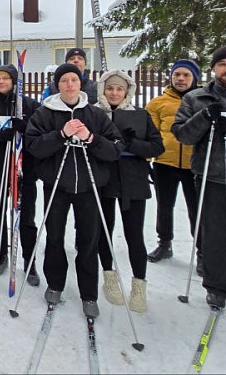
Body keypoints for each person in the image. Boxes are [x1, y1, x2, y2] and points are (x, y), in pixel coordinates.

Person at [24, 63, 120, 318]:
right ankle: (55, 283)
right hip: (57, 185)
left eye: (74, 80)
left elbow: (115, 148)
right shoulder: (45, 113)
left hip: (89, 186)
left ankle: (89, 293)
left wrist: (91, 138)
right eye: (64, 80)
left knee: (89, 240)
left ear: (81, 84)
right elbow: (33, 146)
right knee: (55, 236)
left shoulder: (96, 114)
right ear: (58, 85)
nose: (69, 85)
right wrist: (60, 135)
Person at [94, 70, 164, 312]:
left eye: (119, 89)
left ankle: (139, 283)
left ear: (127, 91)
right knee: (105, 230)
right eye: (110, 88)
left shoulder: (140, 116)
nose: (114, 93)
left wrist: (132, 143)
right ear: (103, 89)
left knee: (134, 234)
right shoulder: (95, 113)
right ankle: (109, 277)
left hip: (133, 182)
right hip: (104, 179)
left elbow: (157, 147)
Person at [171, 46, 226, 309]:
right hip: (212, 175)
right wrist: (205, 117)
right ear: (214, 68)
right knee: (213, 234)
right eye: (222, 64)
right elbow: (182, 134)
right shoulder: (197, 98)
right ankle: (216, 286)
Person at [0, 64, 41, 285]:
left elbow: (41, 136)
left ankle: (29, 261)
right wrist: (1, 135)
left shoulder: (30, 105)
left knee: (26, 217)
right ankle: (1, 254)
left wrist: (26, 129)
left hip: (23, 169)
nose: (1, 82)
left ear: (14, 81)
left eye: (5, 78)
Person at [145, 59, 202, 267]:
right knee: (164, 206)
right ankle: (164, 243)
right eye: (177, 74)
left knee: (197, 209)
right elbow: (150, 134)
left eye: (186, 75)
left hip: (194, 164)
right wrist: (148, 160)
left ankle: (202, 251)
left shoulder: (203, 101)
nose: (180, 79)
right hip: (164, 162)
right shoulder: (157, 103)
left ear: (194, 78)